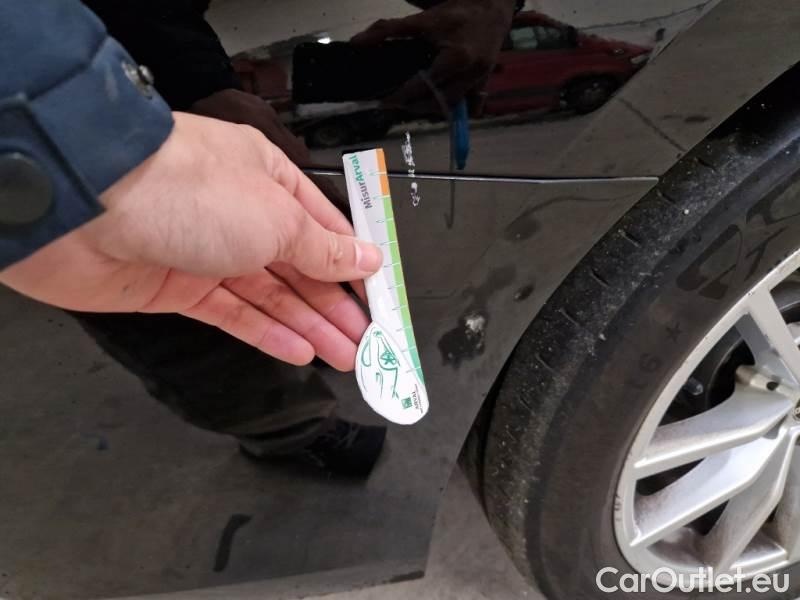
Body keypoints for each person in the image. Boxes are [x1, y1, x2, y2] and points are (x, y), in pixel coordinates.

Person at [0, 0, 387, 476]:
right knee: (161, 300)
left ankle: (312, 347)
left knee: (238, 270)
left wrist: (195, 80)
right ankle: (285, 429)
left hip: (125, 79)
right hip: (97, 98)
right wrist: (111, 155)